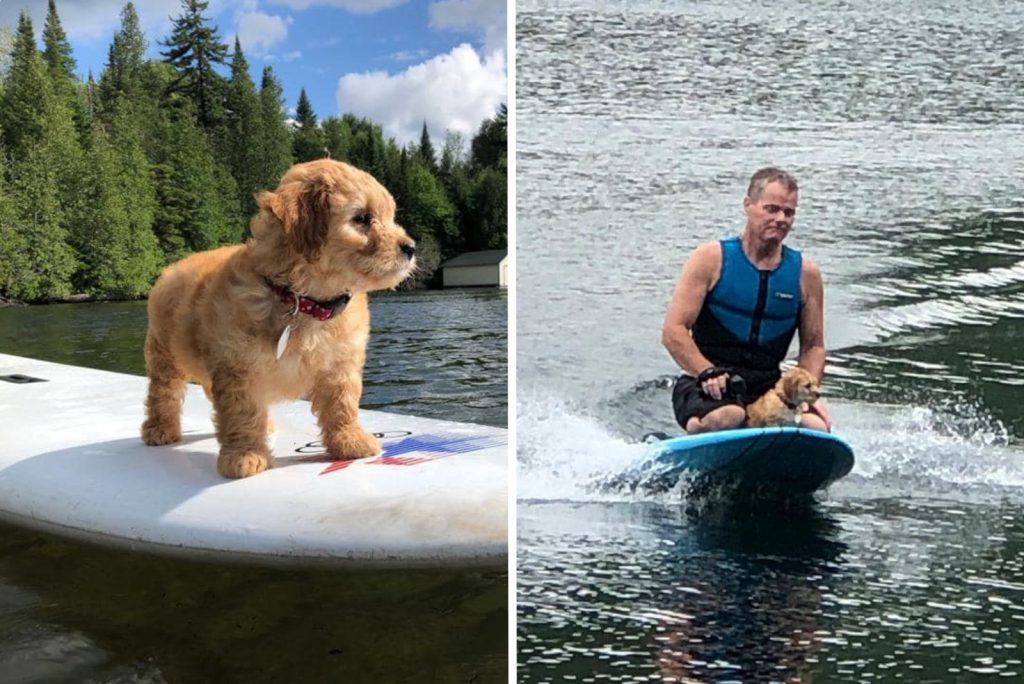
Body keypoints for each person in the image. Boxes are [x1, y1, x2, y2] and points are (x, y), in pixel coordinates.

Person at [661, 167, 831, 434]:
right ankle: (688, 436)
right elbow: (674, 331)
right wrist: (706, 372)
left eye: (789, 212)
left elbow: (813, 346)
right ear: (748, 205)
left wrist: (804, 390)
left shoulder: (805, 274)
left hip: (767, 389)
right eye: (771, 209)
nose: (780, 219)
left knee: (816, 429)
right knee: (728, 417)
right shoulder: (710, 259)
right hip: (705, 382)